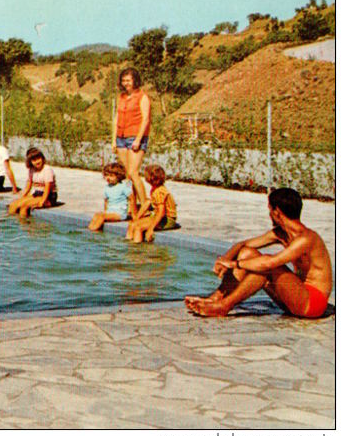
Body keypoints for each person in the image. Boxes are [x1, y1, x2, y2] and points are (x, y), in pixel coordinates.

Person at [185, 188, 333, 319]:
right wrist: (225, 259)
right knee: (246, 253)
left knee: (267, 265)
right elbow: (243, 245)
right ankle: (216, 298)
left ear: (277, 212)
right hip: (294, 297)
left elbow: (271, 263)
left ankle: (224, 306)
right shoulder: (281, 233)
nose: (269, 215)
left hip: (312, 303)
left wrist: (234, 264)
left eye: (270, 210)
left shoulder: (306, 238)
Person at [112, 67, 150, 211]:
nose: (126, 83)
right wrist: (113, 139)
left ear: (135, 81)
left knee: (134, 173)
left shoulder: (142, 96)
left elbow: (145, 119)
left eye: (129, 80)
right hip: (121, 137)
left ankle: (145, 202)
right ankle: (132, 206)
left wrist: (138, 140)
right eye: (124, 80)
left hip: (135, 137)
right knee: (127, 175)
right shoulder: (121, 97)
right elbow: (116, 118)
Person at [126, 164, 178, 243]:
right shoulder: (154, 189)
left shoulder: (159, 192)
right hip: (157, 216)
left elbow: (161, 212)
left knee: (138, 228)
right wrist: (137, 218)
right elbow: (148, 202)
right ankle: (129, 246)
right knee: (132, 224)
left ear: (150, 178)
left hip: (167, 219)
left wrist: (151, 229)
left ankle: (136, 250)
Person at [8, 147, 58, 218]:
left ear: (42, 158)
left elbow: (47, 188)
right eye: (34, 160)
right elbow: (28, 186)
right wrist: (21, 197)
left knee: (24, 207)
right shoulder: (31, 170)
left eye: (38, 159)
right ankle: (13, 226)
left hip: (49, 196)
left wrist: (42, 201)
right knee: (14, 205)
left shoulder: (47, 170)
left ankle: (25, 227)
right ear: (30, 161)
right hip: (37, 193)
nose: (37, 161)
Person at [88, 162, 134, 231]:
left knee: (102, 216)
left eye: (111, 176)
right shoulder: (107, 187)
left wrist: (130, 212)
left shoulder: (123, 186)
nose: (108, 178)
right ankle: (91, 230)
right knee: (97, 215)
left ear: (118, 176)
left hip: (120, 213)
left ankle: (92, 232)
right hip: (111, 211)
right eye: (106, 175)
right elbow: (106, 201)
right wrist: (106, 211)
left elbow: (131, 198)